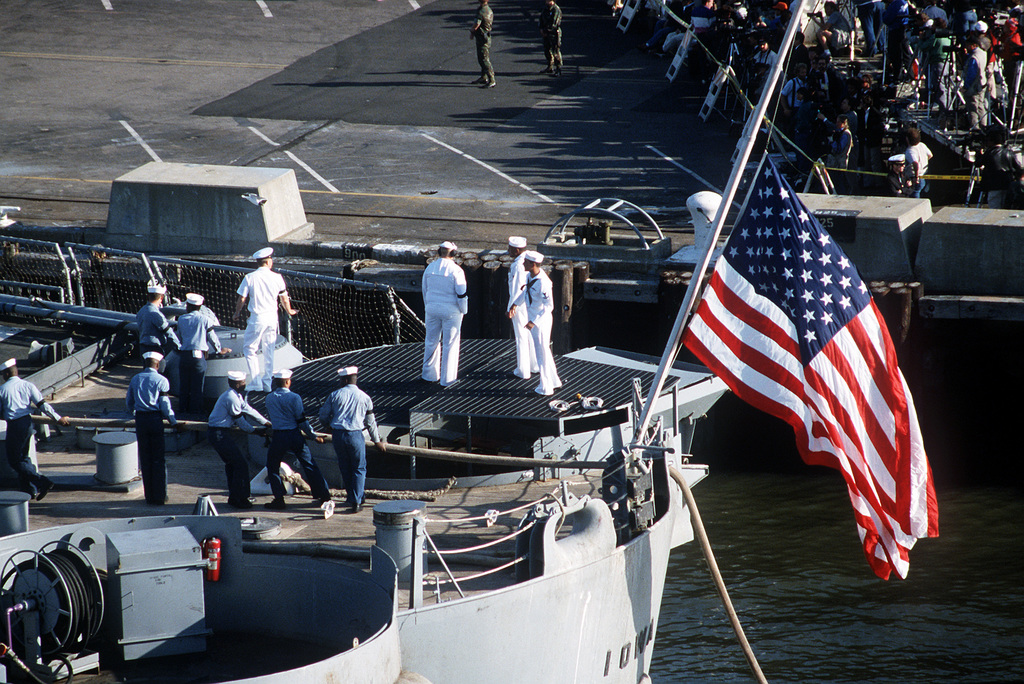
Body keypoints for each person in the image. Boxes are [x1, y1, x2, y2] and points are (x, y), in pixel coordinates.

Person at [263, 368, 333, 511]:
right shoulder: (295, 398)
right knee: (309, 464)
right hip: (294, 435)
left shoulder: (269, 398)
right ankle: (324, 495)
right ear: (288, 382)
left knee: (273, 466)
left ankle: (279, 498)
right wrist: (314, 436)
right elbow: (302, 421)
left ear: (276, 383)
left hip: (278, 436)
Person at [319, 366, 386, 514]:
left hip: (338, 435)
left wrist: (328, 426)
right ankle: (357, 500)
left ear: (345, 379)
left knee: (345, 466)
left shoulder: (335, 395)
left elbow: (323, 415)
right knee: (359, 468)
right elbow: (370, 422)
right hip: (355, 435)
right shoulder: (365, 397)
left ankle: (351, 496)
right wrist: (377, 441)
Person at [0, 358, 69, 500]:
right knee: (24, 458)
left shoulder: (2, 390)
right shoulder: (28, 385)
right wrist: (58, 418)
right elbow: (42, 404)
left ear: (6, 374)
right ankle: (28, 490)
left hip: (14, 426)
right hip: (27, 423)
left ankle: (42, 482)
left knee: (14, 461)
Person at [233, 247, 298, 394]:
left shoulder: (250, 277)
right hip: (272, 317)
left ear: (258, 262)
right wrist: (290, 311)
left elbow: (242, 298)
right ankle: (267, 382)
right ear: (269, 261)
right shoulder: (277, 277)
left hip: (257, 317)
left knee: (250, 349)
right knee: (269, 349)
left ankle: (256, 382)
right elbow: (284, 297)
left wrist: (237, 313)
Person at [207, 370, 271, 509]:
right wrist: (256, 431)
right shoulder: (232, 398)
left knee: (232, 465)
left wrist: (266, 423)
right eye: (242, 382)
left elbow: (249, 410)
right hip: (219, 434)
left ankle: (234, 497)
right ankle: (241, 498)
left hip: (219, 433)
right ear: (235, 384)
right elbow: (241, 422)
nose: (244, 384)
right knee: (240, 465)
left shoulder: (235, 396)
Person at [126, 351, 178, 505]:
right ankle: (160, 496)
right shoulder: (162, 380)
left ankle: (149, 496)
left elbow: (129, 401)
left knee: (145, 458)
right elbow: (165, 405)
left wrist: (133, 412)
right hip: (155, 419)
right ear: (157, 364)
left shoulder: (136, 379)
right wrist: (173, 421)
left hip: (141, 420)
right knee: (158, 459)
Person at [508, 251, 561, 396]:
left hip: (541, 321)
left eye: (526, 262)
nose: (523, 263)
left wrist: (534, 322)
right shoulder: (529, 276)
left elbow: (549, 307)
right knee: (544, 351)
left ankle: (546, 387)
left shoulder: (544, 282)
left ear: (533, 264)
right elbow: (524, 293)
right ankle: (554, 380)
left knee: (541, 353)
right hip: (533, 319)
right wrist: (515, 305)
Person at [421, 241, 468, 387]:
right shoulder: (457, 271)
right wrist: (464, 310)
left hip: (432, 308)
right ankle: (447, 380)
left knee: (430, 341)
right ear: (453, 253)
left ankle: (429, 375)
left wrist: (428, 306)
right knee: (450, 344)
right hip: (451, 311)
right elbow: (461, 294)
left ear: (438, 251)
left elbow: (425, 290)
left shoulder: (430, 268)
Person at [177, 293, 230, 415]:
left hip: (184, 355)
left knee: (184, 384)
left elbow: (179, 337)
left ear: (188, 306)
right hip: (198, 356)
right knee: (197, 385)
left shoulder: (181, 319)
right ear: (200, 307)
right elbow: (212, 337)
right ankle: (196, 411)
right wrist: (218, 350)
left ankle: (182, 409)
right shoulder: (205, 320)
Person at [506, 236, 538, 379]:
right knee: (530, 335)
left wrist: (511, 307)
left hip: (519, 305)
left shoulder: (518, 265)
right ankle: (534, 365)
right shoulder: (528, 260)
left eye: (510, 248)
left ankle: (523, 370)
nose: (508, 250)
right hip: (530, 303)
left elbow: (517, 288)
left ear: (517, 249)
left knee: (521, 336)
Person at [136, 283, 180, 356]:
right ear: (161, 297)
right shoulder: (155, 313)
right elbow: (167, 331)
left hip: (143, 347)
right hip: (154, 348)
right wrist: (178, 346)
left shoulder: (141, 310)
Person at [471, 0, 495, 88]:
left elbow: (476, 24)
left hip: (482, 38)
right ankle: (484, 76)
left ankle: (491, 79)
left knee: (484, 59)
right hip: (486, 37)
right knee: (483, 57)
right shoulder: (488, 10)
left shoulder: (481, 11)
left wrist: (472, 31)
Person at [903, 127, 933, 198]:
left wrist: (916, 177)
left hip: (917, 177)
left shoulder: (910, 151)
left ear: (907, 139)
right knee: (923, 192)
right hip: (925, 174)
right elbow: (930, 155)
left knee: (915, 194)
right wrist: (924, 161)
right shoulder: (922, 145)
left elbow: (915, 163)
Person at [539, 0, 562, 75]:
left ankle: (558, 68)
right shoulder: (545, 9)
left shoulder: (556, 10)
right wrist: (541, 29)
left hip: (554, 33)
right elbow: (541, 20)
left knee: (555, 50)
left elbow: (555, 23)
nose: (547, 2)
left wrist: (547, 30)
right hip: (546, 33)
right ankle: (550, 66)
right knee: (547, 50)